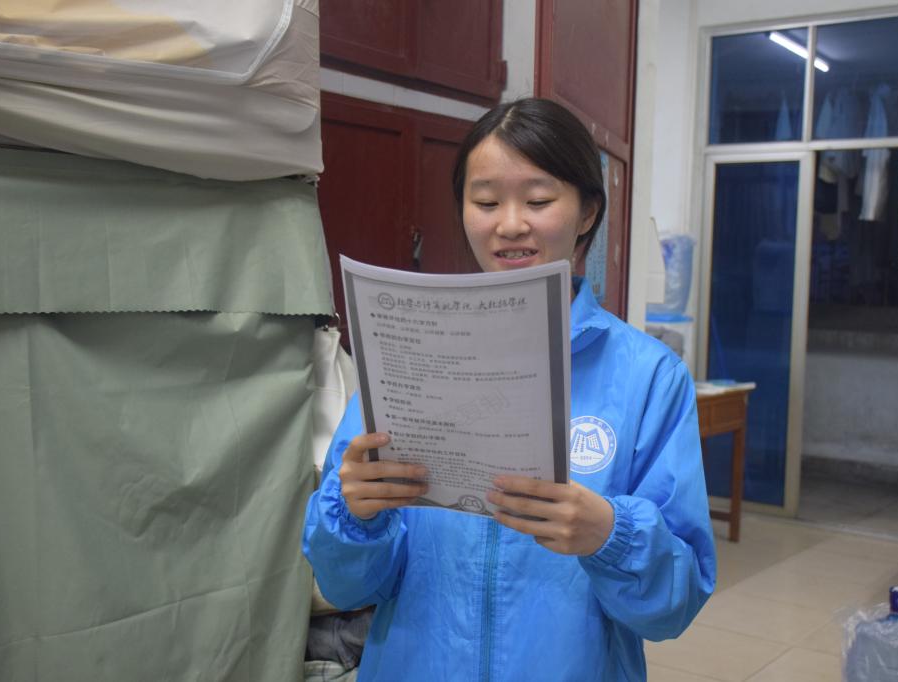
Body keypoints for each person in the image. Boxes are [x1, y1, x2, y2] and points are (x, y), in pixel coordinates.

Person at [302, 97, 716, 681]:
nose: (511, 224)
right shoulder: (404, 355)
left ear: (588, 212)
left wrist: (609, 535)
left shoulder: (647, 377)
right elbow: (347, 586)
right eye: (486, 201)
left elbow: (675, 605)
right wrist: (357, 517)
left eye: (539, 200)